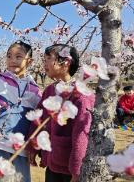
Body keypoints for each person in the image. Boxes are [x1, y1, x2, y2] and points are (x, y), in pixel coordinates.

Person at [0, 37, 42, 182]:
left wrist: (34, 146)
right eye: (9, 56)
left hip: (20, 146)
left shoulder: (35, 90)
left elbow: (39, 119)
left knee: (20, 178)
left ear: (29, 61)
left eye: (18, 56)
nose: (12, 60)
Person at [27, 44, 95, 182]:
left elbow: (82, 134)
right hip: (52, 162)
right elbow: (38, 120)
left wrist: (77, 168)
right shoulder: (49, 90)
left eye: (48, 59)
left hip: (68, 165)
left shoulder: (81, 95)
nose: (44, 64)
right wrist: (33, 147)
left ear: (66, 62)